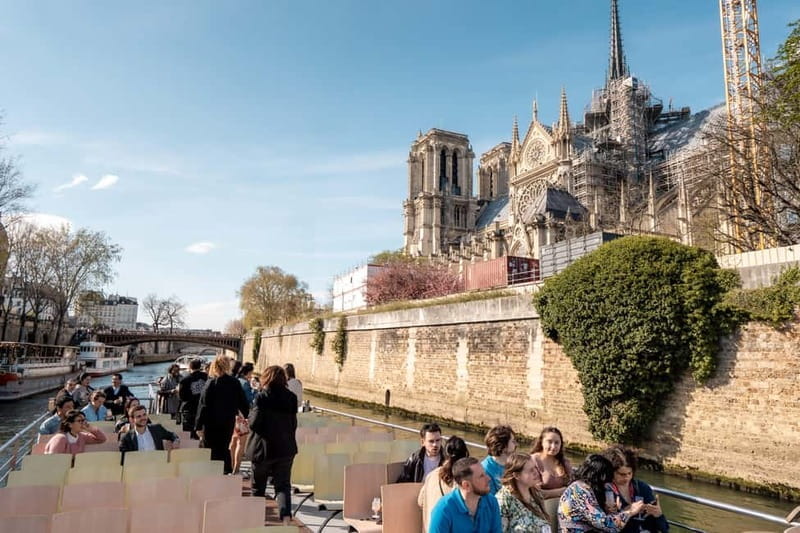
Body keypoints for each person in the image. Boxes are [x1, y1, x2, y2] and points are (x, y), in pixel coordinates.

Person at [247, 365, 298, 525]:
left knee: (258, 487)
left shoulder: (262, 397)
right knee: (282, 486)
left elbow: (254, 423)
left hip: (263, 448)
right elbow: (293, 423)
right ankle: (286, 521)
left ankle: (257, 522)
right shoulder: (291, 397)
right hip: (285, 448)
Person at [558, 454, 645, 533]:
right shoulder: (581, 492)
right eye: (606, 481)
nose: (607, 485)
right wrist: (630, 512)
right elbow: (609, 526)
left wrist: (610, 511)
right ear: (599, 478)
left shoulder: (579, 487)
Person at [195, 355, 250, 474]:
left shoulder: (210, 383)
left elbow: (203, 406)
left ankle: (212, 473)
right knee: (225, 447)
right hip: (227, 421)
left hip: (211, 423)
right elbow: (243, 402)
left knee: (211, 450)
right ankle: (225, 472)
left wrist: (198, 426)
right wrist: (246, 416)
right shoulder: (234, 383)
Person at [603, 446, 669, 533]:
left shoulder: (642, 488)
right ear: (611, 471)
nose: (627, 477)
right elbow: (603, 525)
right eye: (621, 474)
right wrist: (625, 512)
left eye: (629, 473)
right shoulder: (605, 490)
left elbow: (664, 528)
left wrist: (658, 515)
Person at [428, 457, 503, 533]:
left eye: (485, 474)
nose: (488, 478)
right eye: (481, 476)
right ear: (466, 485)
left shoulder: (491, 502)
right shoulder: (443, 510)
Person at [418, 436, 470, 532]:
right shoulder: (465, 482)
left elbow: (420, 502)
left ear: (445, 454)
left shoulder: (431, 476)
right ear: (466, 455)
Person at [495, 453, 551, 533]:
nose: (536, 472)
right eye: (531, 470)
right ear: (517, 476)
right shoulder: (504, 500)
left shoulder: (535, 493)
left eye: (535, 468)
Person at [530, 427, 573, 499]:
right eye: (549, 442)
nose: (553, 447)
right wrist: (562, 491)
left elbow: (573, 487)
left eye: (557, 443)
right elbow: (536, 492)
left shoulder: (565, 463)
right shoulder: (533, 461)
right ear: (542, 442)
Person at [482, 425, 517, 495]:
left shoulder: (514, 462)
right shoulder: (486, 470)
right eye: (513, 441)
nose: (516, 444)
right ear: (503, 447)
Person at [179, 358, 208, 439]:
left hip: (190, 409)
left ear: (189, 367)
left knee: (189, 434)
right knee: (203, 433)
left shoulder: (184, 380)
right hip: (204, 409)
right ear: (200, 366)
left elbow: (182, 397)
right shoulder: (207, 378)